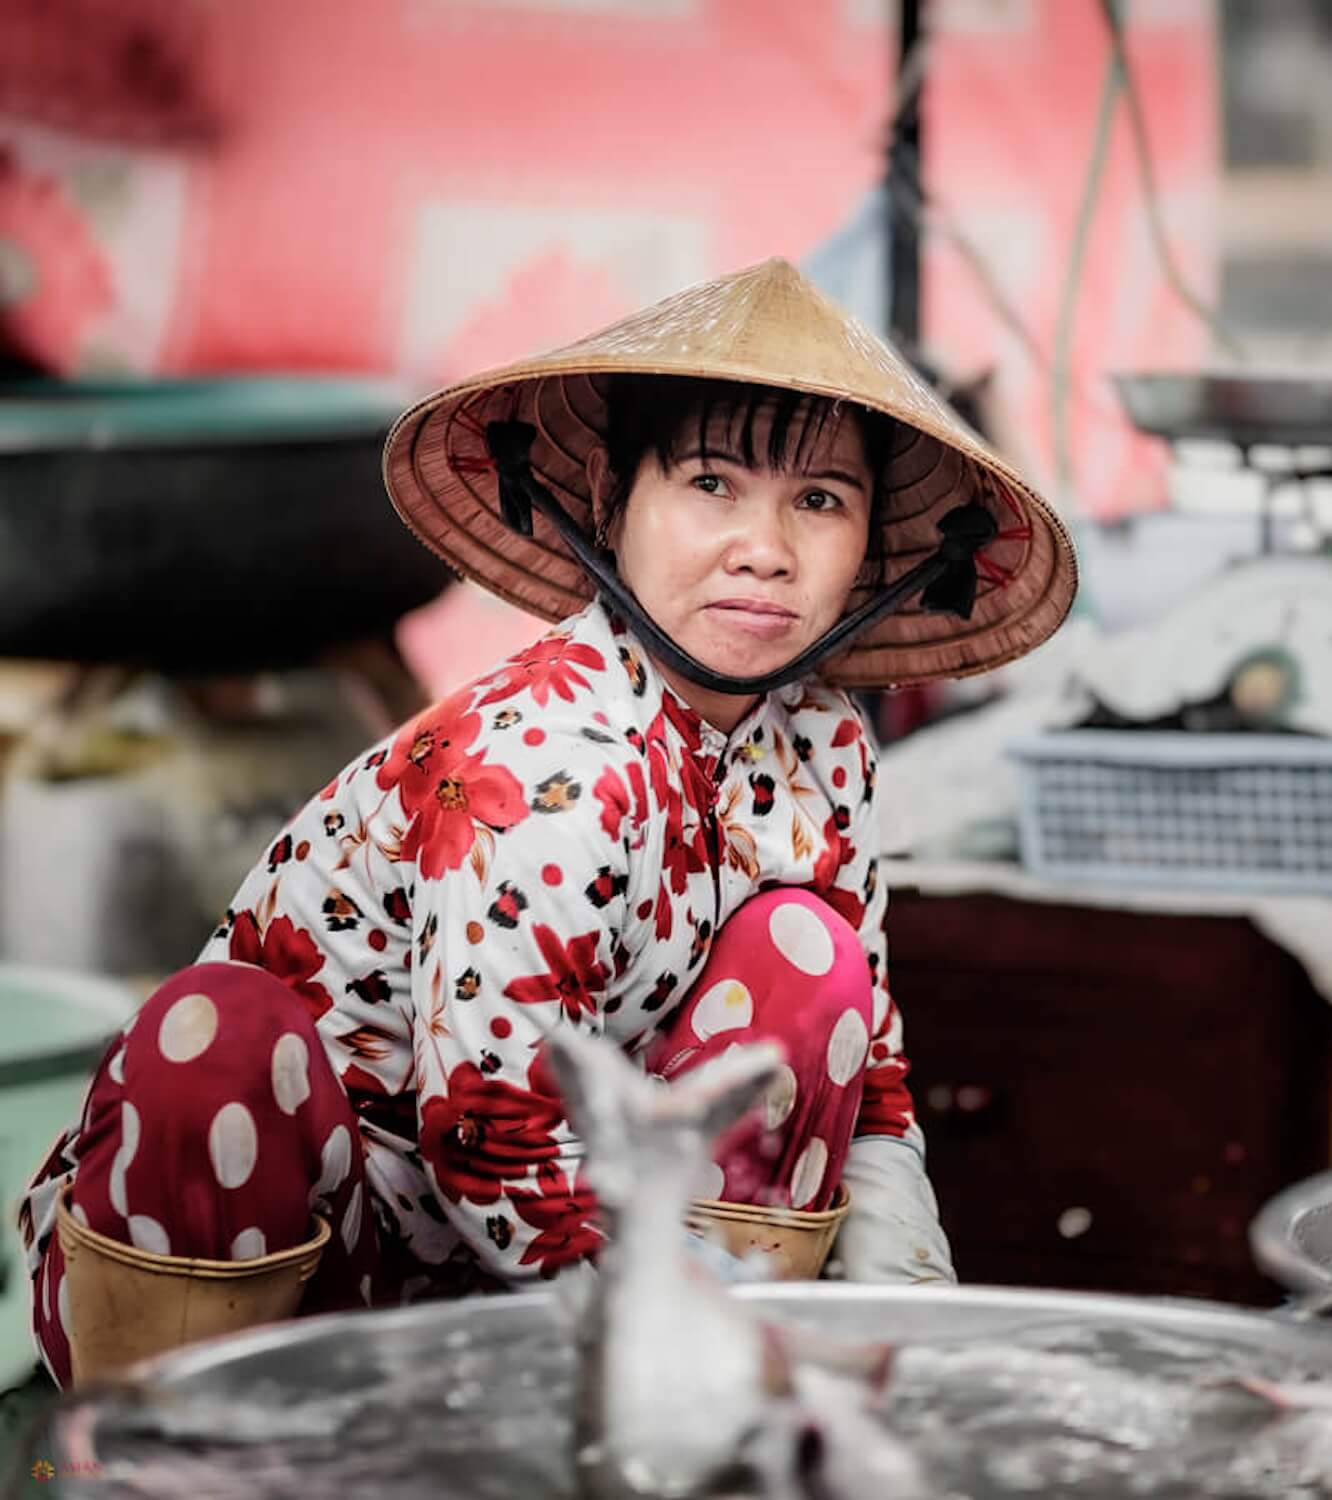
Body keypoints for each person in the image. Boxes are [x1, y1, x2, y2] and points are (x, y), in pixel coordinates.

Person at [18, 258, 1076, 1387]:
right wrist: (679, 1345)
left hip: (589, 1263)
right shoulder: (545, 758)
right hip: (324, 1248)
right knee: (215, 1029)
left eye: (819, 501)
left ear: (872, 546)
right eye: (711, 484)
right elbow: (490, 1134)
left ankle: (700, 1412)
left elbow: (872, 1091)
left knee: (809, 970)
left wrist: (912, 1332)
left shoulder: (825, 745)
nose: (765, 547)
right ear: (614, 506)